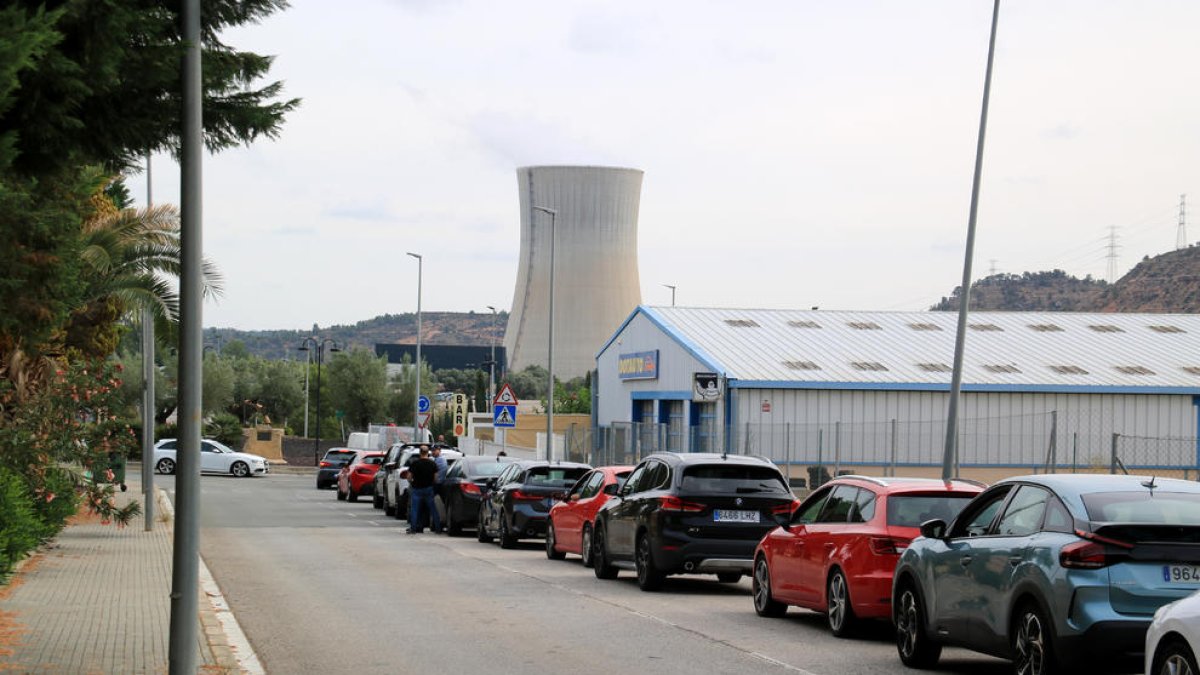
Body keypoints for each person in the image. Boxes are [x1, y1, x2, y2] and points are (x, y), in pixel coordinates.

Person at [406, 447, 441, 534]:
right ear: (427, 452)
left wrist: (412, 482)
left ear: (420, 452)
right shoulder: (433, 464)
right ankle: (438, 528)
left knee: (415, 509)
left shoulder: (415, 463)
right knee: (433, 509)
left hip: (417, 489)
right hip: (428, 489)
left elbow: (409, 477)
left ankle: (413, 528)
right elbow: (436, 478)